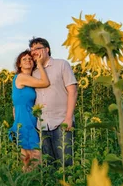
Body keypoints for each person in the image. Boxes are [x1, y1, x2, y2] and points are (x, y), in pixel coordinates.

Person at [29, 37, 78, 167]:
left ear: (47, 49)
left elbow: (72, 91)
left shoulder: (61, 64)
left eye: (37, 48)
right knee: (48, 163)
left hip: (61, 121)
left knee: (65, 161)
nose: (34, 52)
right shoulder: (33, 72)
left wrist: (68, 118)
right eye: (32, 50)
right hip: (42, 124)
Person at [9, 49, 50, 172]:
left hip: (27, 120)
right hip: (25, 123)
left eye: (30, 59)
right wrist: (40, 65)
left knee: (26, 158)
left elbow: (15, 105)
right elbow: (45, 82)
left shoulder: (28, 79)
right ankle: (34, 183)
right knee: (36, 157)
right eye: (24, 59)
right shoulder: (21, 77)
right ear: (19, 65)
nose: (28, 60)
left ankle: (24, 185)